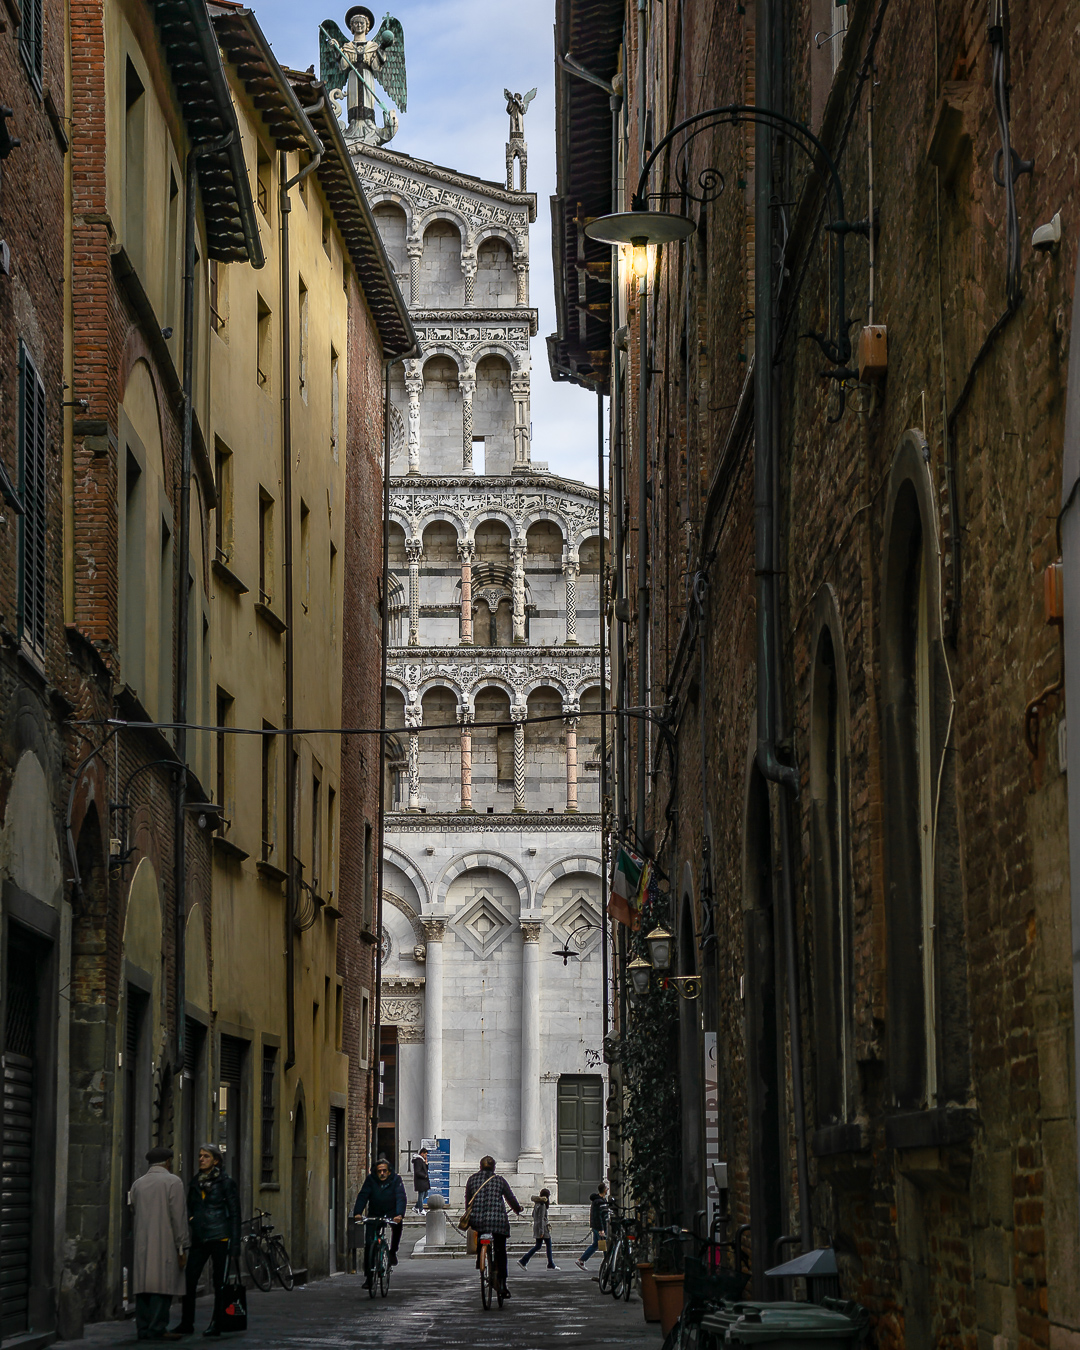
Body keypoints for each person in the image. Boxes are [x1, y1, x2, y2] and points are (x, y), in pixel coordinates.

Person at [170, 1145, 240, 1339]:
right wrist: (193, 1219)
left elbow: (235, 1213)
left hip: (220, 1236)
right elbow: (190, 1206)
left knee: (220, 1283)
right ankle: (186, 1323)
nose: (201, 1159)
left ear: (216, 1160)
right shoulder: (195, 1182)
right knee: (189, 1280)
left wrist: (235, 1244)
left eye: (206, 1156)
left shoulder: (226, 1183)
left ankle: (217, 1322)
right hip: (200, 1237)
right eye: (200, 1156)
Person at [129, 1146, 189, 1341]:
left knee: (144, 1286)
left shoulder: (137, 1184)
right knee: (163, 1286)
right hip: (165, 1242)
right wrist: (181, 1246)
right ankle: (158, 1327)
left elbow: (134, 1211)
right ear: (168, 1162)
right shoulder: (173, 1182)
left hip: (142, 1243)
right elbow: (178, 1217)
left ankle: (143, 1328)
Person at [464, 1155, 522, 1299]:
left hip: (478, 1220)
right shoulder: (499, 1180)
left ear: (480, 1166)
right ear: (494, 1167)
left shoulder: (472, 1179)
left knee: (480, 1231)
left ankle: (480, 1258)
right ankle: (502, 1285)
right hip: (498, 1221)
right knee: (500, 1251)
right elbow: (510, 1199)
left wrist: (470, 1217)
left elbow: (468, 1202)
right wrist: (517, 1209)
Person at [353, 1157, 407, 1288]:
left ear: (389, 1172)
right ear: (376, 1172)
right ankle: (369, 1277)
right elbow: (363, 1195)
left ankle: (393, 1252)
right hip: (375, 1212)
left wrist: (399, 1214)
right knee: (369, 1243)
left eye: (384, 1171)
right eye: (379, 1171)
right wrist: (358, 1213)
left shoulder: (396, 1180)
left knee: (397, 1228)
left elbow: (400, 1196)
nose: (382, 1174)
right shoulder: (371, 1180)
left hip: (391, 1212)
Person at [517, 1188, 559, 1270]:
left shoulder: (537, 1204)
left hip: (537, 1227)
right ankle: (550, 1264)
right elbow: (541, 1219)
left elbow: (534, 1215)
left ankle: (524, 1261)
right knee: (548, 1245)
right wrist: (542, 1231)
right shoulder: (543, 1205)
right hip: (543, 1228)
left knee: (538, 1246)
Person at [575, 1182, 609, 1270]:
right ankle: (607, 1263)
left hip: (597, 1226)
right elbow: (598, 1216)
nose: (608, 1189)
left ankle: (582, 1260)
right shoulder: (599, 1202)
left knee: (596, 1244)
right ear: (604, 1190)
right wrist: (601, 1229)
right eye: (607, 1188)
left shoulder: (601, 1200)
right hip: (599, 1227)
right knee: (604, 1244)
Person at [412, 1147, 430, 1213]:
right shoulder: (418, 1160)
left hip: (423, 1181)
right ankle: (421, 1209)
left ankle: (416, 1207)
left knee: (425, 1193)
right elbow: (418, 1171)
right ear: (422, 1153)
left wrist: (426, 1164)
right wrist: (425, 1176)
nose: (426, 1156)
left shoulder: (421, 1160)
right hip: (421, 1181)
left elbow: (425, 1170)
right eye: (425, 1155)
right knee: (421, 1194)